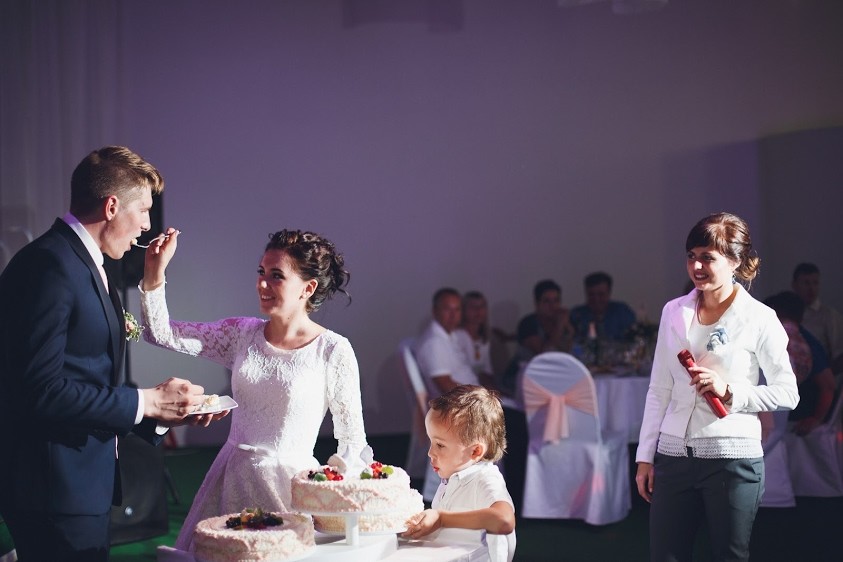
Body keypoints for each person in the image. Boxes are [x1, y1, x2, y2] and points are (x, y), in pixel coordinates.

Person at [0, 146, 220, 562]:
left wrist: (160, 413)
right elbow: (40, 391)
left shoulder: (81, 261)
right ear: (112, 206)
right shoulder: (49, 266)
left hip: (79, 484)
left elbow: (84, 378)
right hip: (53, 491)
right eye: (144, 210)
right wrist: (145, 401)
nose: (148, 225)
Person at [140, 227, 369, 552]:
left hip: (290, 489)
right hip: (230, 479)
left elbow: (352, 443)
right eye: (261, 272)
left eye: (276, 276)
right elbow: (160, 333)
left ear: (308, 288)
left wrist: (333, 505)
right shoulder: (241, 333)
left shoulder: (333, 350)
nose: (262, 284)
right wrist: (154, 272)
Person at [635, 212, 799, 562]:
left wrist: (730, 391)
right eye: (691, 256)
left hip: (732, 459)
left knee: (729, 556)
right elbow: (659, 388)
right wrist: (645, 456)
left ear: (735, 261)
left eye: (707, 257)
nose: (696, 266)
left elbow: (788, 392)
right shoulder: (673, 311)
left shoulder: (760, 318)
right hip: (673, 456)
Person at [414, 288, 527, 513]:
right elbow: (445, 386)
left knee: (518, 417)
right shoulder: (434, 342)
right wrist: (482, 398)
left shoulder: (449, 337)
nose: (453, 315)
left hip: (472, 400)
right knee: (517, 424)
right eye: (447, 309)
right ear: (435, 311)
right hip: (462, 409)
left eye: (457, 310)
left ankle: (515, 492)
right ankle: (516, 495)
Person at [403, 385, 516, 562]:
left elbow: (504, 520)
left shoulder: (485, 480)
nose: (430, 453)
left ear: (475, 451)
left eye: (440, 445)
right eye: (431, 442)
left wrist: (442, 519)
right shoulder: (453, 477)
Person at [764, 291, 836, 435]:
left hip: (785, 417)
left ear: (773, 310)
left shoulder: (768, 333)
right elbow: (829, 384)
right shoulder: (808, 341)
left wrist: (815, 419)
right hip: (784, 418)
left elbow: (828, 385)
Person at [502, 279, 574, 396]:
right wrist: (559, 327)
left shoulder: (565, 323)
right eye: (547, 301)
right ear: (537, 304)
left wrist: (569, 331)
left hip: (553, 379)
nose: (552, 306)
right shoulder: (528, 323)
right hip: (522, 382)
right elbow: (544, 354)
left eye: (556, 301)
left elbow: (573, 353)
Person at [791, 262, 843, 374]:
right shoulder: (788, 315)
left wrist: (825, 377)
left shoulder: (829, 316)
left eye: (815, 283)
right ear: (794, 285)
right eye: (806, 283)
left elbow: (839, 355)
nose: (811, 288)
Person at [569, 271, 637, 342]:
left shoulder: (622, 312)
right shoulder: (576, 315)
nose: (596, 299)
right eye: (591, 294)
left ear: (609, 293)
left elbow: (634, 339)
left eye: (601, 294)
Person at [453, 291, 497, 389]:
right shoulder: (457, 336)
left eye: (482, 306)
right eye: (473, 307)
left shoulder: (484, 338)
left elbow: (487, 371)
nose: (478, 311)